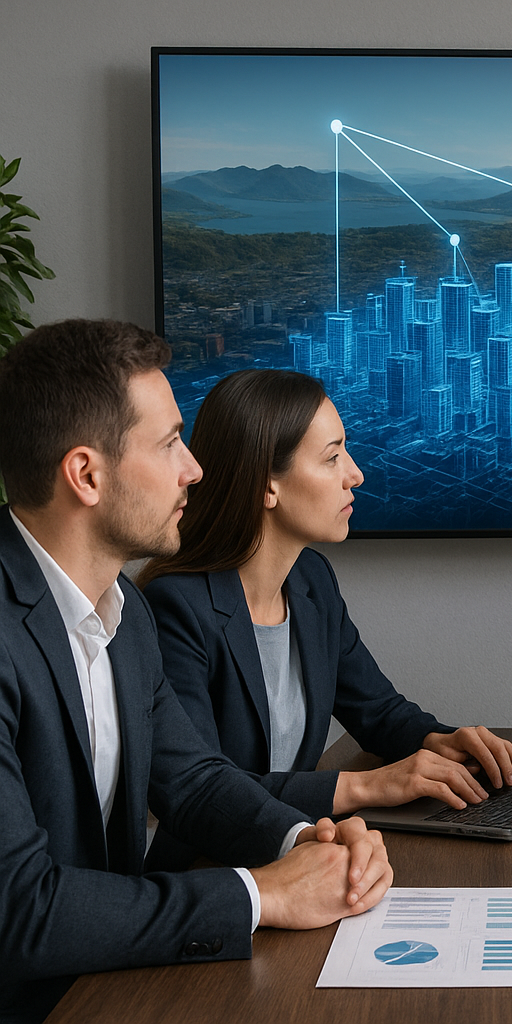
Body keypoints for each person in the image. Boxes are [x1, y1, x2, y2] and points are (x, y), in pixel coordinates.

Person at [0, 319, 394, 1024]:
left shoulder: (125, 612)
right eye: (169, 443)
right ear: (86, 474)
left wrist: (307, 841)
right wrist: (264, 894)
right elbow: (20, 909)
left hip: (108, 982)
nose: (196, 469)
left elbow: (194, 780)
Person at [135, 368, 512, 868]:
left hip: (305, 860)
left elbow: (379, 711)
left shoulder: (311, 581)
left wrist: (441, 742)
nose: (355, 474)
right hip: (214, 879)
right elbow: (206, 789)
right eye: (332, 457)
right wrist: (368, 785)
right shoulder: (176, 608)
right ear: (266, 487)